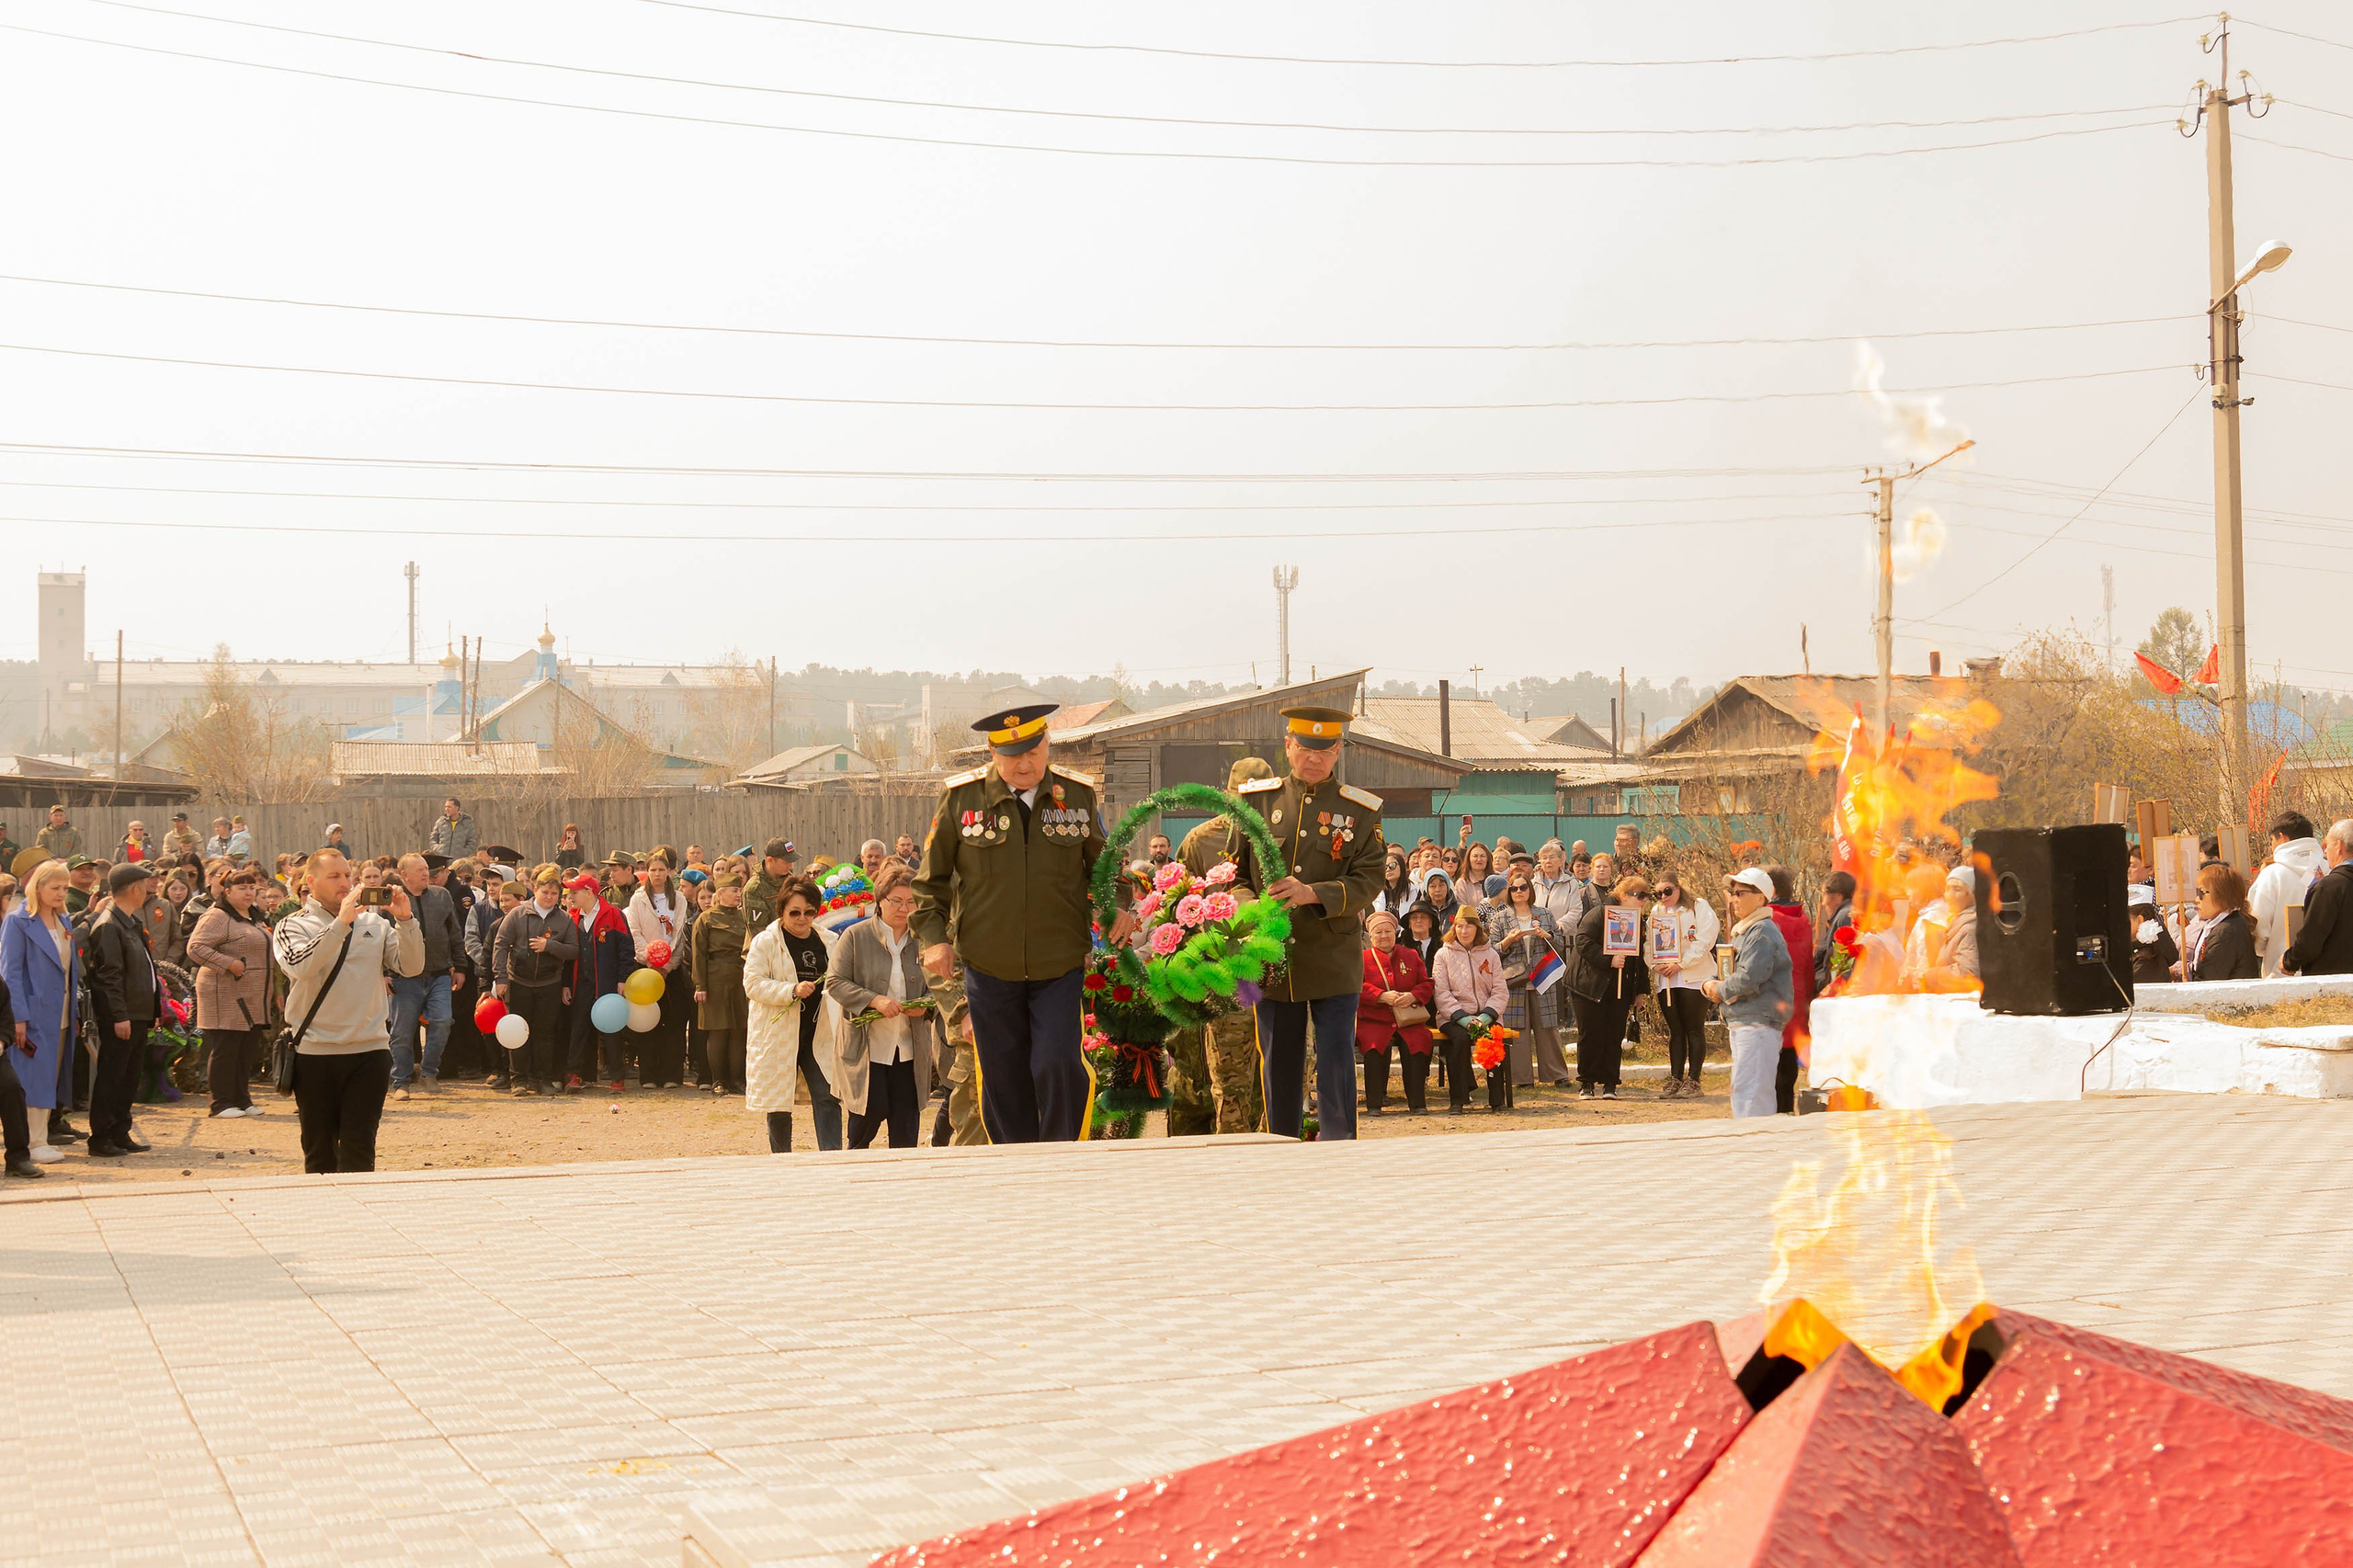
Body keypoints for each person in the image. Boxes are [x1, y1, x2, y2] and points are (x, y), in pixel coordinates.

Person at [914, 703, 1131, 1144]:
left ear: (1047, 745)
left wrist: (1118, 907)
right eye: (1013, 755)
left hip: (1058, 964)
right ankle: (1016, 1161)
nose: (1025, 764)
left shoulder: (1077, 796)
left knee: (1058, 1063)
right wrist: (935, 940)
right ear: (993, 752)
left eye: (1033, 751)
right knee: (1002, 1074)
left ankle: (1059, 1157)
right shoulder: (962, 798)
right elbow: (929, 882)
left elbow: (1105, 870)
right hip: (989, 966)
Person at [1227, 706, 1385, 1142]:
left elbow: (1369, 879)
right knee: (1278, 1062)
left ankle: (1339, 1145)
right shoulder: (1256, 801)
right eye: (1305, 748)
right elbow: (1233, 875)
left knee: (1335, 1062)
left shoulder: (1360, 810)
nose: (1314, 758)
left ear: (1337, 751)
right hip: (1274, 959)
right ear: (1288, 746)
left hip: (1333, 956)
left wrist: (1312, 893)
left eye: (1324, 750)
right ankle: (1281, 1145)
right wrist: (1252, 911)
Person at [272, 847, 423, 1173]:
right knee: (320, 1153)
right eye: (334, 876)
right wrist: (341, 923)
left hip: (369, 1051)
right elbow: (300, 966)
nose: (345, 883)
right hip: (315, 1054)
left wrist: (405, 921)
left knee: (359, 1150)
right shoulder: (291, 925)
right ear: (311, 882)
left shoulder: (375, 923)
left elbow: (411, 967)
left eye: (347, 876)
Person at [824, 863, 936, 1149]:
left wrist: (926, 1007)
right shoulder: (856, 936)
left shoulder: (924, 939)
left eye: (911, 901)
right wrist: (874, 1000)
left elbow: (939, 986)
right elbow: (835, 982)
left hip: (909, 1050)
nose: (903, 908)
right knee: (864, 1124)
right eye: (896, 901)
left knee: (905, 1130)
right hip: (867, 1049)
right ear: (880, 900)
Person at [743, 878, 843, 1152]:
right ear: (782, 911)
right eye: (795, 912)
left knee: (828, 1094)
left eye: (809, 912)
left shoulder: (829, 941)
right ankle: (781, 1159)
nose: (802, 919)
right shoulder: (765, 942)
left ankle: (832, 1157)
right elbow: (752, 984)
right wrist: (791, 990)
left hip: (818, 1032)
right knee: (778, 1104)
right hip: (780, 1033)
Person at [2, 858, 83, 1162]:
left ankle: (42, 1137)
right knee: (32, 1076)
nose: (61, 893)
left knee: (50, 1074)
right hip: (32, 1014)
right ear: (38, 888)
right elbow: (10, 973)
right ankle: (33, 1142)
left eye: (65, 888)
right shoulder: (18, 921)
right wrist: (18, 1018)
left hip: (60, 1012)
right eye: (55, 887)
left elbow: (69, 971)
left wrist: (74, 1014)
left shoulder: (64, 921)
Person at [84, 864, 165, 1158]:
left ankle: (120, 1131)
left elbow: (145, 969)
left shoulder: (129, 922)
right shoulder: (109, 925)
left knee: (129, 1077)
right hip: (123, 1015)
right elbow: (109, 976)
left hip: (138, 1012)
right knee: (113, 1076)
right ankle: (101, 1136)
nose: (149, 890)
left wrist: (153, 1007)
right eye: (145, 885)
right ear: (135, 889)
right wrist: (119, 1016)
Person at [1705, 869, 1793, 1118]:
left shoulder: (1761, 931)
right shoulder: (1747, 931)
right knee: (1746, 1089)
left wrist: (1718, 989)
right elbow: (1732, 972)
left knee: (1752, 1092)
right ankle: (1753, 1137)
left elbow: (1748, 978)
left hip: (1758, 1022)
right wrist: (1711, 984)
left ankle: (1756, 1139)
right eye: (1732, 893)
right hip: (1748, 1020)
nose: (1734, 899)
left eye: (1740, 893)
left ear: (1760, 898)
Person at [187, 866, 270, 1119]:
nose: (248, 893)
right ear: (227, 891)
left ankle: (242, 1099)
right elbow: (196, 947)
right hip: (223, 990)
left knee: (245, 1049)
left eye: (252, 888)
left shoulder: (254, 916)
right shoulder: (217, 915)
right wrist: (228, 963)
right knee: (227, 1048)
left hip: (252, 993)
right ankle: (220, 1103)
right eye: (242, 888)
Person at [494, 868, 578, 1096]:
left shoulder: (564, 919)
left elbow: (573, 950)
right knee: (518, 1032)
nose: (549, 897)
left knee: (545, 1034)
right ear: (535, 890)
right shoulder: (517, 914)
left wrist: (549, 946)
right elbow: (500, 945)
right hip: (518, 982)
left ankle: (544, 1079)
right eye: (545, 892)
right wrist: (500, 977)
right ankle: (519, 1079)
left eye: (554, 893)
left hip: (549, 983)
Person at [387, 853, 463, 1100]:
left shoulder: (442, 896)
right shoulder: (392, 901)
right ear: (404, 875)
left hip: (439, 973)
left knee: (442, 1021)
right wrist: (384, 974)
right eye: (419, 870)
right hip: (403, 977)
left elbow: (454, 933)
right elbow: (381, 940)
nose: (425, 873)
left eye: (426, 869)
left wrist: (460, 967)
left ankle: (429, 1072)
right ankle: (401, 1082)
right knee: (402, 1032)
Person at [1568, 875, 1651, 1100]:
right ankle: (1586, 1082)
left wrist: (1640, 990)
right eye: (1640, 895)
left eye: (1647, 896)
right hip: (1589, 985)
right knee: (1590, 1034)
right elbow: (1583, 941)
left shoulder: (1638, 922)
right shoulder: (1599, 914)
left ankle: (1610, 1082)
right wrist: (1608, 959)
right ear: (1623, 895)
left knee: (1614, 1034)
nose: (1644, 900)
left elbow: (1640, 958)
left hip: (1620, 986)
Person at [1485, 869, 1567, 1094]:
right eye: (1513, 888)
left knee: (1548, 1027)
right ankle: (1521, 1077)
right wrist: (1508, 940)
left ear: (1530, 890)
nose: (1518, 891)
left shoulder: (1545, 914)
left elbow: (1560, 944)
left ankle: (1557, 1075)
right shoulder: (1500, 917)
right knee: (1516, 1028)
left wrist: (1547, 936)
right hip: (1514, 980)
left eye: (1523, 887)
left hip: (1543, 977)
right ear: (1509, 892)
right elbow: (1492, 951)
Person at [1431, 904, 1507, 1115]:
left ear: (1477, 929)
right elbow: (1441, 992)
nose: (1463, 931)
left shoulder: (1491, 954)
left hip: (1485, 1014)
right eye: (1459, 926)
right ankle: (1458, 1099)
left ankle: (1497, 1099)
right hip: (1453, 1016)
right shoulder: (1443, 955)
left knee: (1493, 1038)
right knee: (1460, 1040)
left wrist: (1486, 1017)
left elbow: (1500, 990)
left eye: (1468, 926)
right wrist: (1463, 1019)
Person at [1650, 875, 1720, 1097]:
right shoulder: (1656, 911)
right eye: (1658, 893)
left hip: (1694, 977)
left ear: (1678, 888)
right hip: (1667, 980)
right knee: (1676, 1031)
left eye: (1667, 891)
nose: (1663, 896)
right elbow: (1649, 943)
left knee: (1694, 1029)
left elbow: (1705, 939)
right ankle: (1676, 1079)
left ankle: (1694, 1080)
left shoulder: (1698, 906)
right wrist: (1654, 964)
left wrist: (1682, 964)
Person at [1358, 910, 1434, 1115]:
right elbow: (1355, 986)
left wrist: (1413, 996)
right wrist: (1381, 996)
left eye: (1388, 931)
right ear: (1370, 936)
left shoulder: (1410, 955)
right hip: (1374, 1019)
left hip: (1408, 1020)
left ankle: (1417, 1103)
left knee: (1416, 1043)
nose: (1384, 936)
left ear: (1395, 933)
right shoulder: (1362, 958)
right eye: (1378, 932)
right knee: (1374, 1047)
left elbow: (1427, 984)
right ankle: (1374, 1103)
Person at [626, 850, 691, 1087]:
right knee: (648, 1021)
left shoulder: (679, 899)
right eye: (653, 870)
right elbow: (634, 932)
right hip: (645, 969)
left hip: (671, 970)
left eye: (661, 870)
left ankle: (672, 1075)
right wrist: (650, 961)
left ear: (669, 872)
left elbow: (680, 934)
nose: (657, 874)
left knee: (672, 1022)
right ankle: (649, 1075)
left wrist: (668, 964)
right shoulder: (638, 899)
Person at [564, 871, 634, 1091]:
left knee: (611, 1031)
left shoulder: (613, 914)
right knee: (579, 1029)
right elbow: (567, 958)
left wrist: (622, 979)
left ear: (588, 893)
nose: (570, 897)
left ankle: (617, 1078)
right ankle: (575, 1075)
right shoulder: (572, 917)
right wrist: (566, 984)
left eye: (574, 892)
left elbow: (626, 949)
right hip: (581, 983)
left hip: (607, 982)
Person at [691, 870, 751, 1095]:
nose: (738, 894)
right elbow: (698, 955)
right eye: (734, 891)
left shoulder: (745, 917)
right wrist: (700, 986)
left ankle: (737, 1080)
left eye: (739, 890)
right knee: (718, 1032)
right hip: (715, 979)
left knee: (739, 1031)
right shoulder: (706, 919)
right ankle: (718, 1080)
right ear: (721, 893)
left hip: (741, 978)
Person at [1764, 865, 1817, 1113]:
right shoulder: (1802, 919)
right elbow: (1808, 964)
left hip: (1773, 997)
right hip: (1797, 996)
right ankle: (1786, 1109)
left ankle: (1774, 1114)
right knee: (1787, 1062)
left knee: (1770, 1066)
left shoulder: (1768, 920)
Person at [2247, 811, 2324, 977]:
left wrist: (2266, 949)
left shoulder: (2272, 875)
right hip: (2328, 972)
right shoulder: (2331, 870)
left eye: (2272, 840)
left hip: (2281, 971)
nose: (2271, 846)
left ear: (2281, 837)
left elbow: (2259, 926)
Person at [2283, 818, 2353, 977]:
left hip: (2333, 983)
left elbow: (2311, 940)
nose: (2325, 852)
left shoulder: (2328, 888)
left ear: (2339, 846)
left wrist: (2289, 961)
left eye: (2327, 845)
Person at [2183, 864, 2261, 981]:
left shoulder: (2225, 933)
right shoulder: (2230, 923)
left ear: (2221, 894)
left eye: (2201, 893)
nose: (2196, 899)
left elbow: (2208, 981)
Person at [1920, 866, 1982, 989]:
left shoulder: (1969, 928)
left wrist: (1932, 976)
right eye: (1947, 889)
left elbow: (1968, 974)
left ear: (1972, 895)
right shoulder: (1957, 922)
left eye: (1957, 889)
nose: (1949, 895)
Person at [1813, 871, 1857, 994]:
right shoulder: (1843, 915)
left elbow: (1846, 962)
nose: (1823, 902)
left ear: (1838, 896)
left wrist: (1834, 990)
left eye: (1824, 895)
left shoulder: (1845, 917)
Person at [745, 837, 797, 939]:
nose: (790, 866)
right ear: (770, 860)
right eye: (786, 861)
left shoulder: (791, 881)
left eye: (792, 861)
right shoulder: (754, 889)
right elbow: (758, 932)